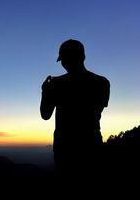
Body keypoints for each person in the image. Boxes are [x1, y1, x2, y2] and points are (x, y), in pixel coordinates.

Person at [40, 39, 110, 178]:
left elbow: (45, 115)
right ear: (83, 57)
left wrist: (45, 92)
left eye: (63, 59)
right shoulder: (102, 82)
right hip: (91, 144)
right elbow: (95, 111)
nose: (64, 63)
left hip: (64, 148)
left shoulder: (56, 84)